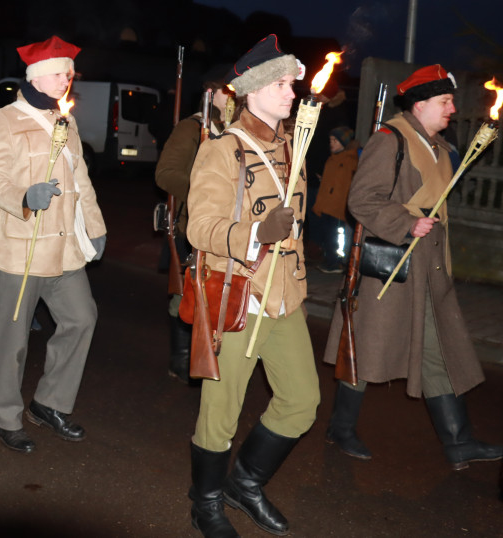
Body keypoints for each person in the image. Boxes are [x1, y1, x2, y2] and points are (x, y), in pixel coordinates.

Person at [323, 65, 502, 469]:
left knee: (437, 350)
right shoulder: (390, 140)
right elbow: (362, 200)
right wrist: (407, 223)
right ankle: (341, 427)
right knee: (367, 348)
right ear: (420, 105)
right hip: (391, 265)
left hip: (428, 266)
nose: (452, 109)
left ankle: (459, 442)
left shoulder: (439, 147)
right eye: (445, 101)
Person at [184, 34, 318, 538]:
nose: (291, 93)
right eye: (282, 84)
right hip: (240, 294)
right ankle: (207, 502)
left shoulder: (292, 147)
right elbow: (198, 228)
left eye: (291, 84)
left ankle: (245, 482)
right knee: (220, 415)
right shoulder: (223, 151)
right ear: (253, 90)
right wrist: (256, 234)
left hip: (286, 296)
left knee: (302, 401)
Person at [0, 35, 106, 454]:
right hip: (20, 246)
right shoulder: (2, 119)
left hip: (65, 248)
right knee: (14, 339)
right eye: (57, 73)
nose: (65, 80)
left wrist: (96, 226)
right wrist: (23, 196)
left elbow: (81, 179)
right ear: (35, 76)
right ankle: (6, 418)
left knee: (82, 317)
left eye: (68, 73)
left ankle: (49, 402)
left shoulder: (63, 123)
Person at [154, 64, 232, 384]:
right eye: (228, 90)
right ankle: (183, 355)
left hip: (230, 229)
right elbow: (166, 173)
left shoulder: (240, 129)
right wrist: (206, 192)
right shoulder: (192, 129)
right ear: (211, 94)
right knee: (187, 293)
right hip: (196, 224)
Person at [311, 126, 358, 273]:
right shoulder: (332, 160)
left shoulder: (350, 160)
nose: (332, 143)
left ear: (343, 142)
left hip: (338, 206)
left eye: (335, 140)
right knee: (328, 234)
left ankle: (337, 263)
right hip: (327, 205)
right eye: (331, 140)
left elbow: (347, 184)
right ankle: (330, 261)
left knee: (337, 236)